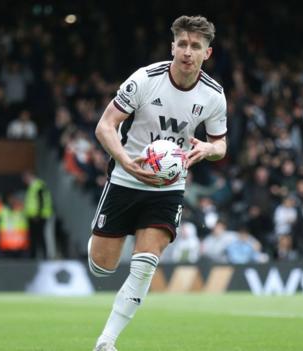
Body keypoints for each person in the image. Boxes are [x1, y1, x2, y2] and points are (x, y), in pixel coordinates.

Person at [88, 15, 227, 351]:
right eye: (182, 44)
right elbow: (105, 126)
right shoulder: (145, 79)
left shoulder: (213, 95)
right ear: (173, 46)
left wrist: (209, 148)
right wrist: (125, 162)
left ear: (207, 53)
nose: (188, 52)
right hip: (126, 177)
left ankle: (106, 341)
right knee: (101, 267)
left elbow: (221, 145)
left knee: (145, 264)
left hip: (169, 185)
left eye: (196, 46)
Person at [23, 171, 53, 259]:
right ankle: (34, 255)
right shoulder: (33, 186)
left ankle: (44, 256)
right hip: (34, 216)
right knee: (34, 236)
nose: (24, 180)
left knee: (40, 236)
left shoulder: (38, 185)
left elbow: (41, 201)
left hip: (39, 216)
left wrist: (38, 214)